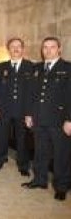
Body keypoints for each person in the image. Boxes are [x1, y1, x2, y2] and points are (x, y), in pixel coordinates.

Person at [22, 37, 71, 201]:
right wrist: (29, 114)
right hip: (39, 118)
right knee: (40, 152)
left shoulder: (67, 68)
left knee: (61, 154)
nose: (48, 50)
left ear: (59, 49)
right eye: (45, 47)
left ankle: (61, 186)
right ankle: (40, 180)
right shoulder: (37, 69)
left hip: (59, 121)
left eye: (52, 47)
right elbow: (31, 94)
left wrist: (69, 120)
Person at [0, 38, 34, 175]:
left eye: (18, 46)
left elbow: (33, 92)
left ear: (23, 49)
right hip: (4, 109)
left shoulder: (31, 67)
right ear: (9, 50)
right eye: (12, 46)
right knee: (1, 137)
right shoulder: (1, 66)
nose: (15, 49)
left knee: (22, 139)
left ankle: (23, 165)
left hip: (22, 109)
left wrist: (30, 112)